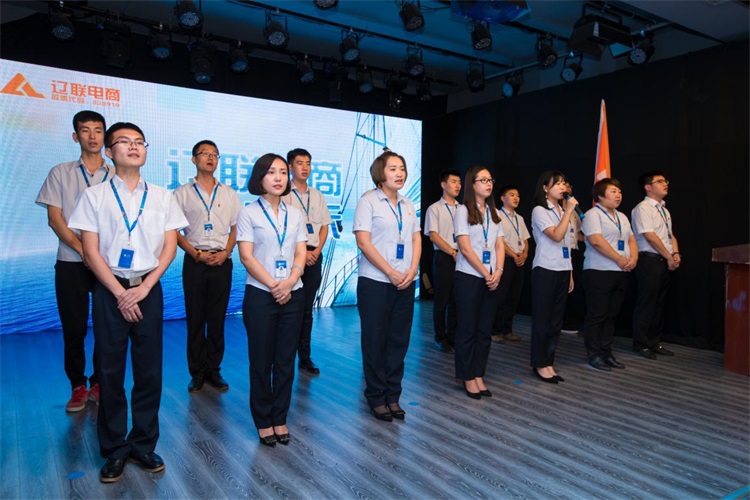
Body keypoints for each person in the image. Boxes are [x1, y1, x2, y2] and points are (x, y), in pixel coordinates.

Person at [68, 122, 187, 483]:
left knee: (149, 371)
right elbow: (90, 251)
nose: (134, 147)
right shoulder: (94, 196)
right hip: (110, 290)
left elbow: (170, 248)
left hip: (148, 289)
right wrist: (121, 294)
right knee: (110, 371)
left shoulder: (163, 196)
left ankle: (144, 444)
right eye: (124, 141)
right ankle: (114, 448)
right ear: (109, 151)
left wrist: (145, 287)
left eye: (139, 142)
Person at [36, 110, 113, 413]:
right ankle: (78, 386)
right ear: (75, 136)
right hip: (71, 260)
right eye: (85, 130)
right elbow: (55, 219)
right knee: (74, 327)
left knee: (108, 327)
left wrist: (97, 256)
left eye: (98, 130)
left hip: (108, 263)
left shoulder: (116, 175)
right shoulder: (60, 173)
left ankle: (99, 382)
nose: (93, 136)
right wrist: (85, 251)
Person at [236, 153, 307, 447]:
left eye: (282, 172)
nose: (278, 178)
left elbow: (301, 252)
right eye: (271, 172)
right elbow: (246, 256)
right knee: (261, 362)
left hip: (293, 292)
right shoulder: (248, 213)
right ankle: (263, 421)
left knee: (286, 361)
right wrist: (273, 285)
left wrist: (290, 281)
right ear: (259, 177)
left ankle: (280, 417)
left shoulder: (296, 214)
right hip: (261, 294)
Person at [353, 150, 421, 422]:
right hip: (376, 282)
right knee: (375, 341)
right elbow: (363, 242)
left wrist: (412, 270)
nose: (399, 173)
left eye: (402, 168)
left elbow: (416, 239)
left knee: (398, 341)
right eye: (393, 168)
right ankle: (376, 396)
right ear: (380, 173)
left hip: (405, 281)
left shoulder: (408, 203)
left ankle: (393, 395)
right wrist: (390, 272)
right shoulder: (368, 201)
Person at [174, 140, 241, 393]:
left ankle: (214, 370)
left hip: (223, 262)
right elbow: (173, 231)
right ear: (194, 159)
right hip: (195, 262)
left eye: (215, 155)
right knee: (195, 319)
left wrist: (226, 252)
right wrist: (195, 253)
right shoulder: (181, 193)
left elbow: (236, 228)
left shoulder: (229, 193)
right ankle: (197, 372)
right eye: (205, 154)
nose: (211, 158)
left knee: (217, 319)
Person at [453, 166, 504, 399]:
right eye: (483, 180)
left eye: (490, 179)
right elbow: (464, 248)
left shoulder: (494, 212)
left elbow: (499, 244)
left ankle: (478, 373)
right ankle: (467, 376)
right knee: (468, 329)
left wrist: (498, 271)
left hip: (491, 277)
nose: (488, 183)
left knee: (484, 330)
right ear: (471, 184)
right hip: (469, 276)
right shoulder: (462, 210)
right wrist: (486, 273)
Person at [281, 148, 332, 375]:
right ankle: (284, 356)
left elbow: (324, 227)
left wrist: (316, 251)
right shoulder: (283, 194)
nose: (305, 167)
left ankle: (305, 357)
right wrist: (301, 254)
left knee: (306, 311)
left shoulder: (317, 195)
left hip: (314, 257)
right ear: (290, 167)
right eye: (300, 163)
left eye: (308, 163)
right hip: (292, 258)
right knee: (289, 309)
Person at [581, 178, 638, 371]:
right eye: (613, 191)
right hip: (598, 271)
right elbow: (596, 241)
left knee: (612, 315)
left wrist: (633, 258)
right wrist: (619, 258)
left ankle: (607, 352)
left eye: (619, 191)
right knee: (597, 315)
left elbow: (631, 239)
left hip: (621, 271)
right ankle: (594, 354)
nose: (618, 195)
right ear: (600, 196)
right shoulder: (593, 214)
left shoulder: (622, 216)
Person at [530, 171, 578, 384]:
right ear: (545, 188)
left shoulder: (562, 210)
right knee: (543, 320)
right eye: (557, 184)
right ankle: (539, 363)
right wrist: (568, 211)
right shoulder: (540, 211)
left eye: (563, 183)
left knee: (556, 321)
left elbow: (568, 245)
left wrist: (570, 273)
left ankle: (549, 361)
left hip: (563, 269)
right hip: (545, 269)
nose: (562, 187)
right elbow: (557, 236)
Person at [631, 171, 680, 359]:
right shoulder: (643, 208)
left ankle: (654, 342)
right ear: (648, 187)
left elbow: (669, 235)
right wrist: (668, 256)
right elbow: (650, 236)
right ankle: (641, 343)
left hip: (664, 259)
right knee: (647, 303)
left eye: (665, 181)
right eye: (659, 181)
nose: (665, 184)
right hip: (649, 260)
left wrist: (675, 254)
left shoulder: (664, 210)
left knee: (659, 304)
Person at [423, 168, 462, 353]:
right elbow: (434, 235)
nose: (458, 185)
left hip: (463, 257)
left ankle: (453, 337)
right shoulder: (435, 208)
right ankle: (440, 337)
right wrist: (452, 252)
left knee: (457, 299)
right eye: (454, 182)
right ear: (443, 184)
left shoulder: (463, 209)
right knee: (442, 300)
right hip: (444, 257)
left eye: (459, 182)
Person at [492, 185, 530, 343]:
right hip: (505, 260)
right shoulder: (497, 215)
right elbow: (499, 241)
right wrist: (514, 255)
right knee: (501, 297)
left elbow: (525, 240)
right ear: (502, 198)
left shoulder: (519, 218)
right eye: (512, 195)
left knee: (514, 297)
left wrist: (524, 254)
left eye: (518, 195)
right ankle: (494, 331)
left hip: (519, 261)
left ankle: (507, 330)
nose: (516, 198)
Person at [561, 180, 585, 334]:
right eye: (564, 185)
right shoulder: (556, 209)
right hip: (562, 250)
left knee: (574, 286)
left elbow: (578, 234)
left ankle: (571, 319)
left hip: (574, 251)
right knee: (563, 286)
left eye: (570, 186)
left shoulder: (575, 210)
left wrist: (593, 239)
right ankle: (562, 321)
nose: (567, 189)